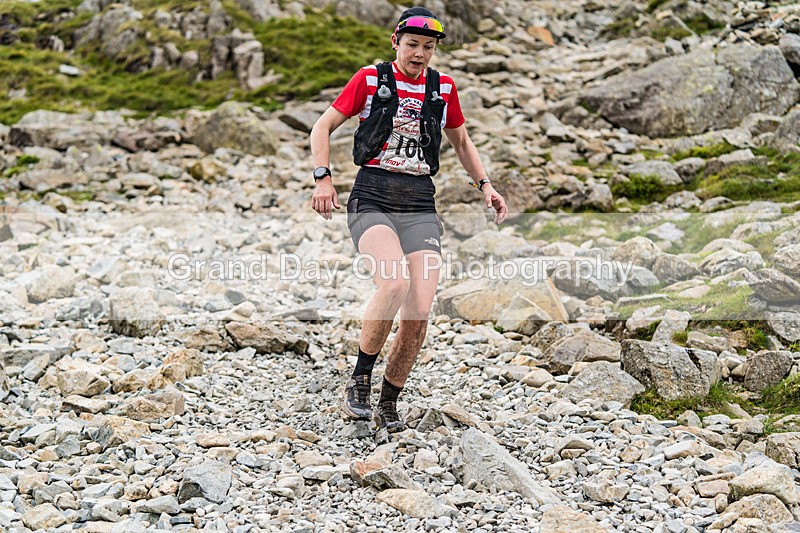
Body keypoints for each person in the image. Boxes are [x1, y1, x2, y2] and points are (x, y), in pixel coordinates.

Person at [309, 6, 507, 433]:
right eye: (413, 44)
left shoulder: (443, 88)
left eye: (428, 47)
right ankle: (359, 381)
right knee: (394, 283)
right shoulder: (369, 79)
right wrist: (323, 179)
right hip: (372, 194)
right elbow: (321, 127)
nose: (420, 54)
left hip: (419, 200)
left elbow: (462, 142)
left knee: (419, 310)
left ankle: (388, 402)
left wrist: (486, 186)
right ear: (395, 42)